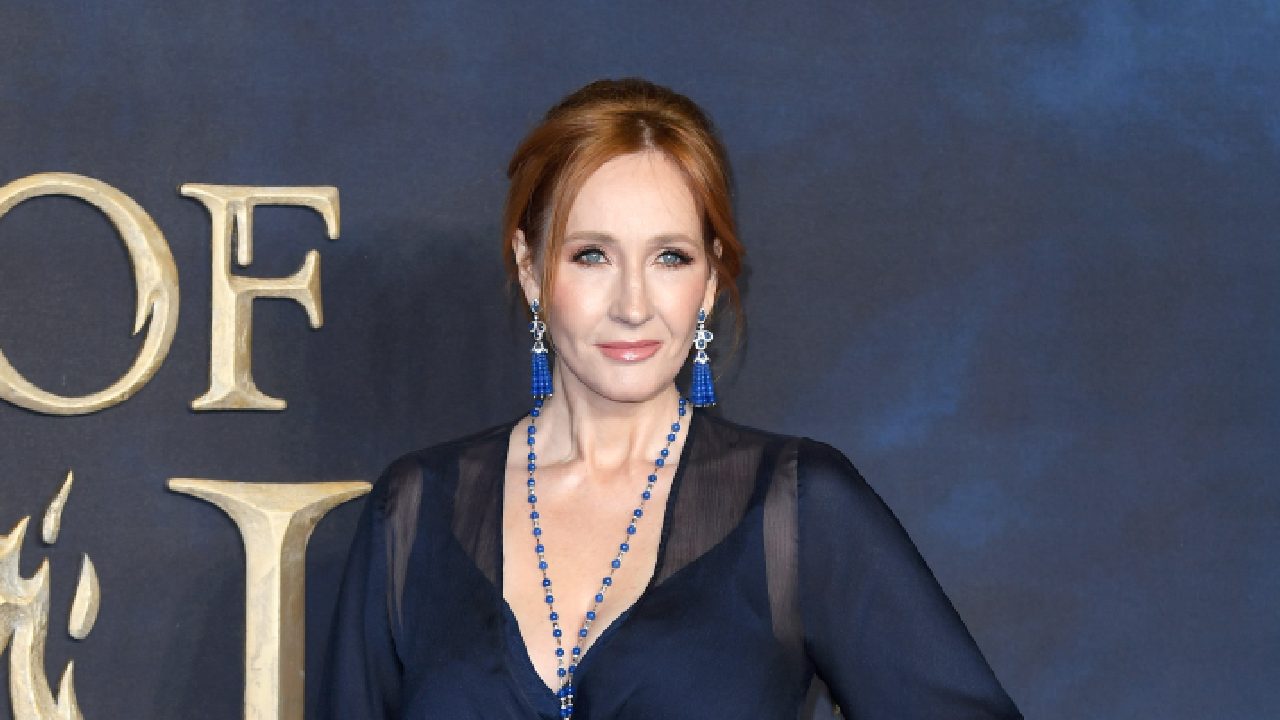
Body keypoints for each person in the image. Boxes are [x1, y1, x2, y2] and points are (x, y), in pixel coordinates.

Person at [319, 77, 1022, 720]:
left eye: (670, 258)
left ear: (710, 281)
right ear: (531, 270)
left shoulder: (797, 508)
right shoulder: (415, 512)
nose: (633, 305)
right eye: (592, 255)